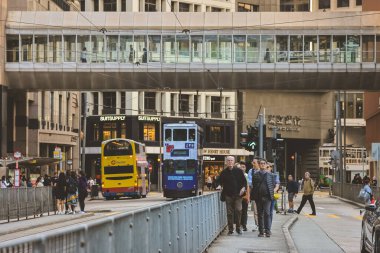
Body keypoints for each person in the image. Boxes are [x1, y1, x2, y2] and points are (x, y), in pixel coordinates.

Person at [219, 156, 247, 235]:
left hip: (238, 195)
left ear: (234, 162)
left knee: (238, 210)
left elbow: (244, 182)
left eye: (231, 160)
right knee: (229, 213)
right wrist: (219, 186)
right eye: (228, 160)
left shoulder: (239, 171)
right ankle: (230, 229)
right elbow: (219, 181)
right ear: (226, 162)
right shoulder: (224, 172)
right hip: (228, 195)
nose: (230, 162)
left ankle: (238, 228)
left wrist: (243, 188)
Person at [251, 159, 276, 237]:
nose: (262, 165)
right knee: (260, 214)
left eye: (263, 163)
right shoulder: (255, 175)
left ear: (266, 165)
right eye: (261, 163)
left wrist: (271, 195)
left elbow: (273, 185)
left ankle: (267, 231)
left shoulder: (271, 175)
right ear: (259, 164)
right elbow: (254, 187)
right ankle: (261, 231)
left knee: (267, 213)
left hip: (267, 197)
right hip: (258, 198)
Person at [266, 163, 280, 230]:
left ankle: (268, 228)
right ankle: (264, 227)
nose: (268, 168)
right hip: (264, 196)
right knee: (264, 212)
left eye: (269, 167)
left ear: (271, 168)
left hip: (271, 196)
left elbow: (277, 185)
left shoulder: (274, 175)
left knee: (270, 212)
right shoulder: (262, 175)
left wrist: (273, 190)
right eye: (267, 166)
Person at [248, 157, 260, 231]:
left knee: (263, 211)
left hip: (262, 193)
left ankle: (263, 225)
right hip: (255, 193)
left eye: (254, 162)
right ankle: (257, 225)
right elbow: (249, 182)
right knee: (255, 211)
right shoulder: (251, 171)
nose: (253, 164)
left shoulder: (262, 171)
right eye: (252, 162)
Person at [239, 161, 250, 232]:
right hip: (238, 196)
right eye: (241, 167)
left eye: (244, 167)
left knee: (245, 211)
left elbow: (248, 187)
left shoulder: (247, 176)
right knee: (239, 210)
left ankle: (244, 225)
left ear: (245, 168)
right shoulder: (236, 175)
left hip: (245, 196)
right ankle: (239, 224)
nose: (242, 168)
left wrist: (248, 197)